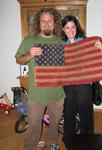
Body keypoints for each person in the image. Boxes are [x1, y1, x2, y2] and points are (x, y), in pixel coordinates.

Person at [15, 8, 65, 150]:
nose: (46, 23)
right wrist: (30, 55)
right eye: (43, 21)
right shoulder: (29, 40)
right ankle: (30, 146)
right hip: (37, 94)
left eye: (49, 20)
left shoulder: (61, 42)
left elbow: (72, 62)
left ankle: (53, 142)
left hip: (57, 94)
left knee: (55, 123)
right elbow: (18, 60)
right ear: (39, 22)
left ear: (54, 23)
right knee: (34, 124)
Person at [61, 15, 102, 142]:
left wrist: (100, 50)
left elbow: (95, 61)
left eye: (73, 27)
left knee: (86, 115)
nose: (71, 30)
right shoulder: (62, 47)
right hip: (68, 86)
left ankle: (87, 140)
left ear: (76, 27)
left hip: (84, 85)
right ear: (63, 30)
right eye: (67, 27)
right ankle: (69, 139)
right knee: (69, 114)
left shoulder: (86, 43)